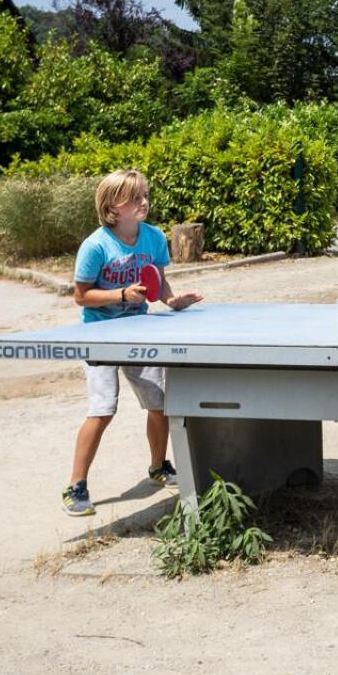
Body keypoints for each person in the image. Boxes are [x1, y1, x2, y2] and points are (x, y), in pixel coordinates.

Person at [62, 169, 203, 516]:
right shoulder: (95, 246)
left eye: (145, 195)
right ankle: (76, 486)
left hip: (138, 331)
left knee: (159, 405)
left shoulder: (153, 237)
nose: (144, 202)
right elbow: (81, 296)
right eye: (135, 197)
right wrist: (121, 294)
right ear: (113, 208)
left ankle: (158, 466)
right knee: (102, 410)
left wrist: (171, 301)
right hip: (99, 335)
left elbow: (158, 280)